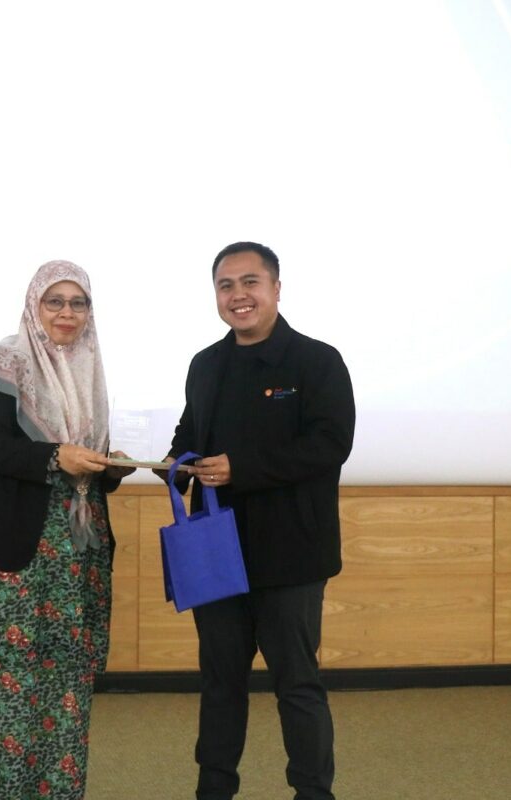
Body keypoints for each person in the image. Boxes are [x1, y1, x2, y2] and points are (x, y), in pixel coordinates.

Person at [160, 241, 355, 800]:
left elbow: (330, 445)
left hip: (291, 554)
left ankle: (313, 793)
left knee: (297, 684)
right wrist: (170, 464)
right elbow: (189, 434)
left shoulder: (317, 361)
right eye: (226, 286)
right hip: (216, 552)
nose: (238, 296)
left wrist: (239, 468)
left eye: (250, 283)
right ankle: (214, 791)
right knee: (220, 684)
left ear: (276, 289)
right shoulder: (206, 364)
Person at [0, 260, 133, 799]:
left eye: (79, 303)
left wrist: (108, 467)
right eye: (55, 301)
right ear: (34, 305)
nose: (67, 313)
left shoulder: (87, 372)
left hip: (77, 552)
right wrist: (55, 456)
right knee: (7, 686)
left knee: (67, 686)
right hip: (12, 551)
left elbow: (83, 464)